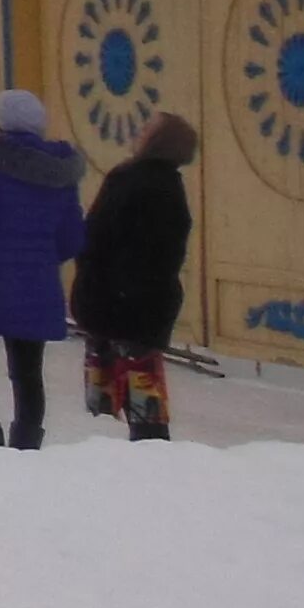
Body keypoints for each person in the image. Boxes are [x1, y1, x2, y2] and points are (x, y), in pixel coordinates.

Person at [0, 88, 87, 448]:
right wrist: (39, 258)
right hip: (37, 287)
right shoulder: (61, 173)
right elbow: (73, 236)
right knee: (28, 374)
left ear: (0, 124)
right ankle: (26, 446)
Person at [72, 111, 199, 441]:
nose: (138, 132)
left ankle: (125, 456)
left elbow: (99, 234)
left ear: (157, 141)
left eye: (147, 129)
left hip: (113, 300)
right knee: (143, 391)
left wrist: (96, 277)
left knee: (105, 400)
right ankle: (148, 451)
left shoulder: (131, 180)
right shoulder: (168, 185)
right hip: (141, 304)